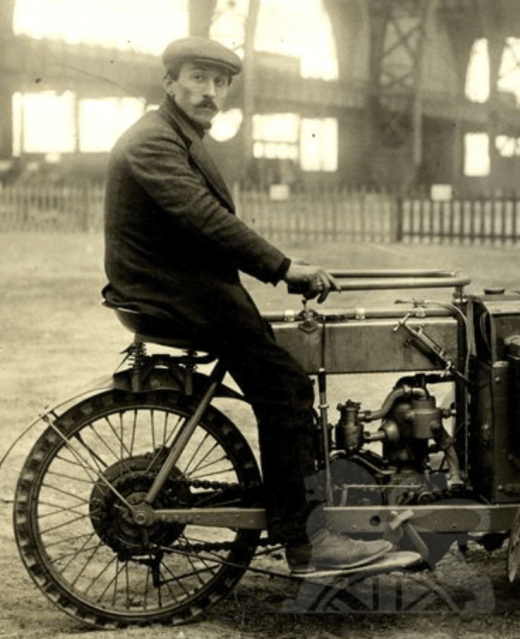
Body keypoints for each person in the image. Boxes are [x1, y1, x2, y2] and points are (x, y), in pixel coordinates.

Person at [101, 37, 392, 574]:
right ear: (169, 83)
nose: (210, 92)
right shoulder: (153, 141)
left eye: (220, 82)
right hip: (169, 293)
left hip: (184, 287)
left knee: (283, 370)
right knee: (286, 387)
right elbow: (204, 219)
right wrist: (283, 267)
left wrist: (281, 268)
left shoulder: (179, 135)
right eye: (198, 78)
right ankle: (308, 542)